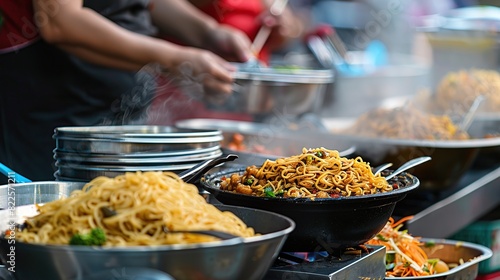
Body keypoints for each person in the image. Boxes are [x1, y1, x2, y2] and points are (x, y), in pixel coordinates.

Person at [0, 0, 253, 181]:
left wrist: (208, 32)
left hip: (118, 108)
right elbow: (59, 21)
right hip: (52, 110)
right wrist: (175, 59)